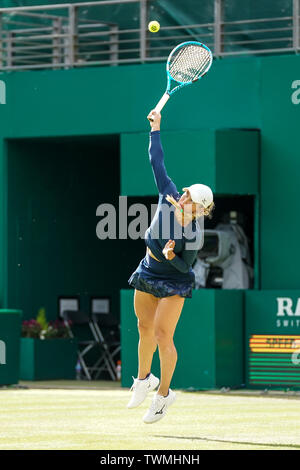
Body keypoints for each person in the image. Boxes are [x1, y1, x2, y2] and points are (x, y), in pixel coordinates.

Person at [127, 110, 214, 424]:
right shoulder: (168, 193)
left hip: (175, 282)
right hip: (148, 271)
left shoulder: (192, 235)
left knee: (163, 336)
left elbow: (184, 268)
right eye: (185, 192)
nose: (183, 195)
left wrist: (170, 256)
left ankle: (163, 395)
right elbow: (157, 161)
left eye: (189, 197)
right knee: (143, 328)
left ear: (199, 209)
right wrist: (156, 128)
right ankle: (143, 379)